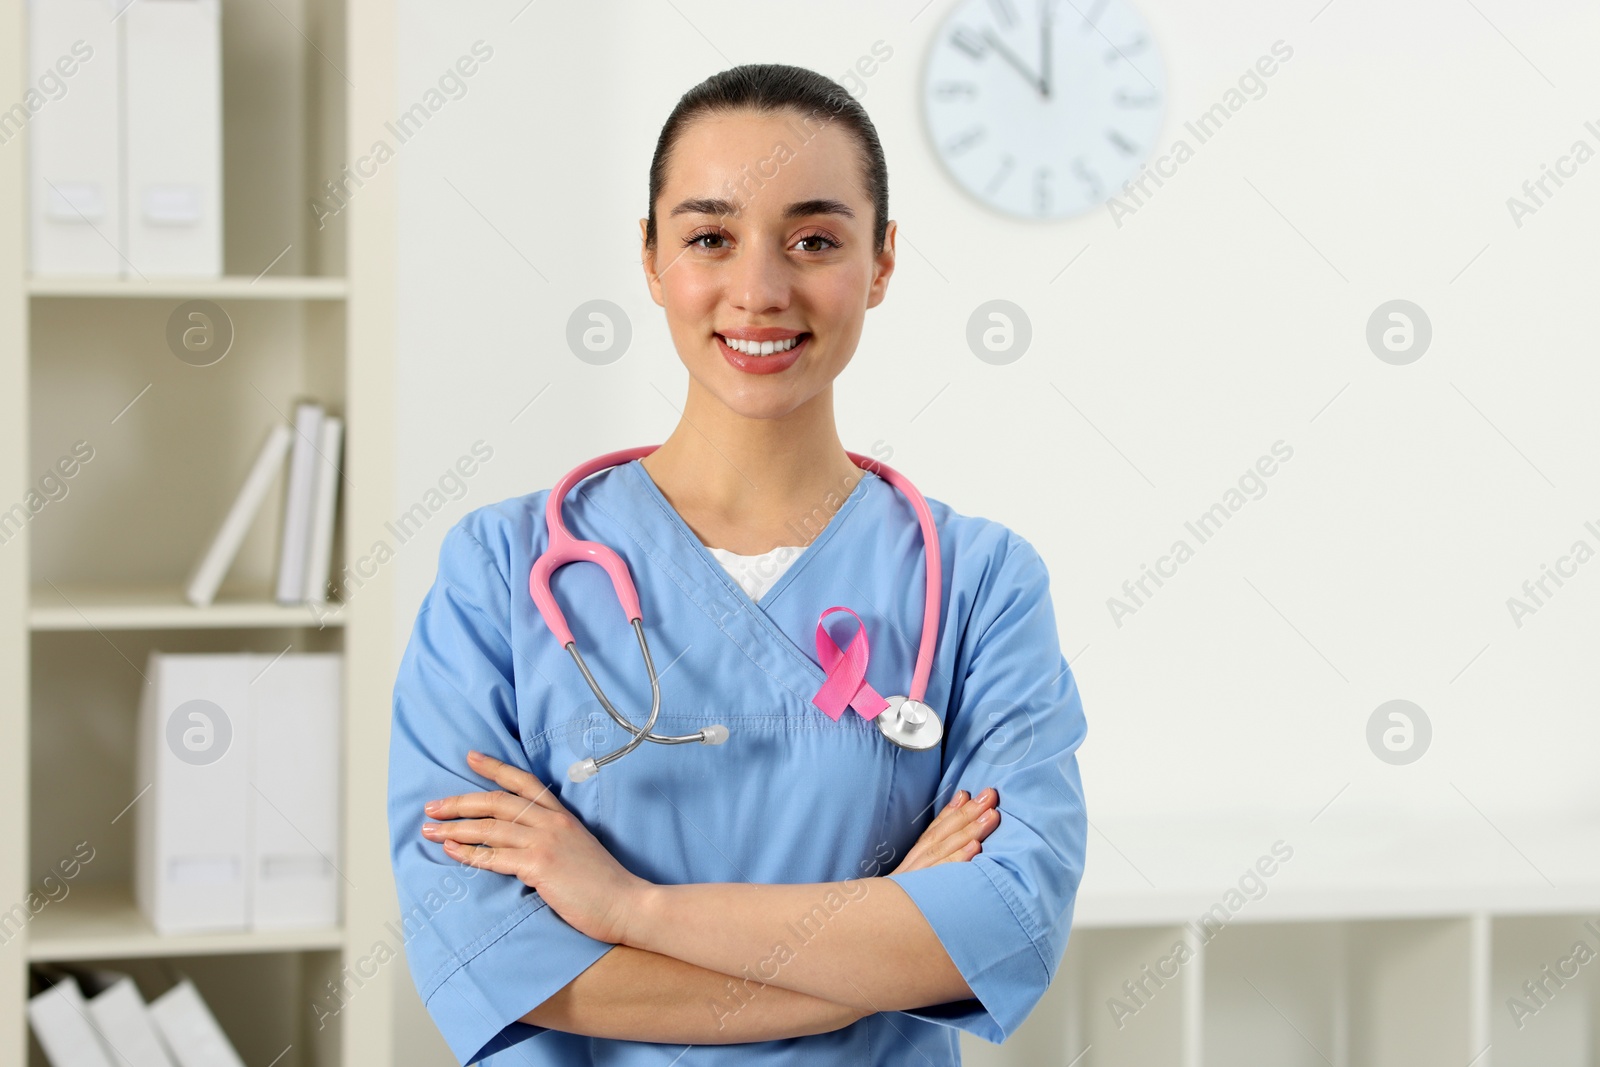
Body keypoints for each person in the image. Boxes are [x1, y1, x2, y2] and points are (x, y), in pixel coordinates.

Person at [387, 62, 1088, 1065]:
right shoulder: (499, 573)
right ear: (649, 256)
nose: (758, 291)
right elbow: (488, 958)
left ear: (883, 262)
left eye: (814, 241)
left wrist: (626, 904)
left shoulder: (980, 585)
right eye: (709, 237)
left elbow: (1004, 927)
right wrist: (873, 942)